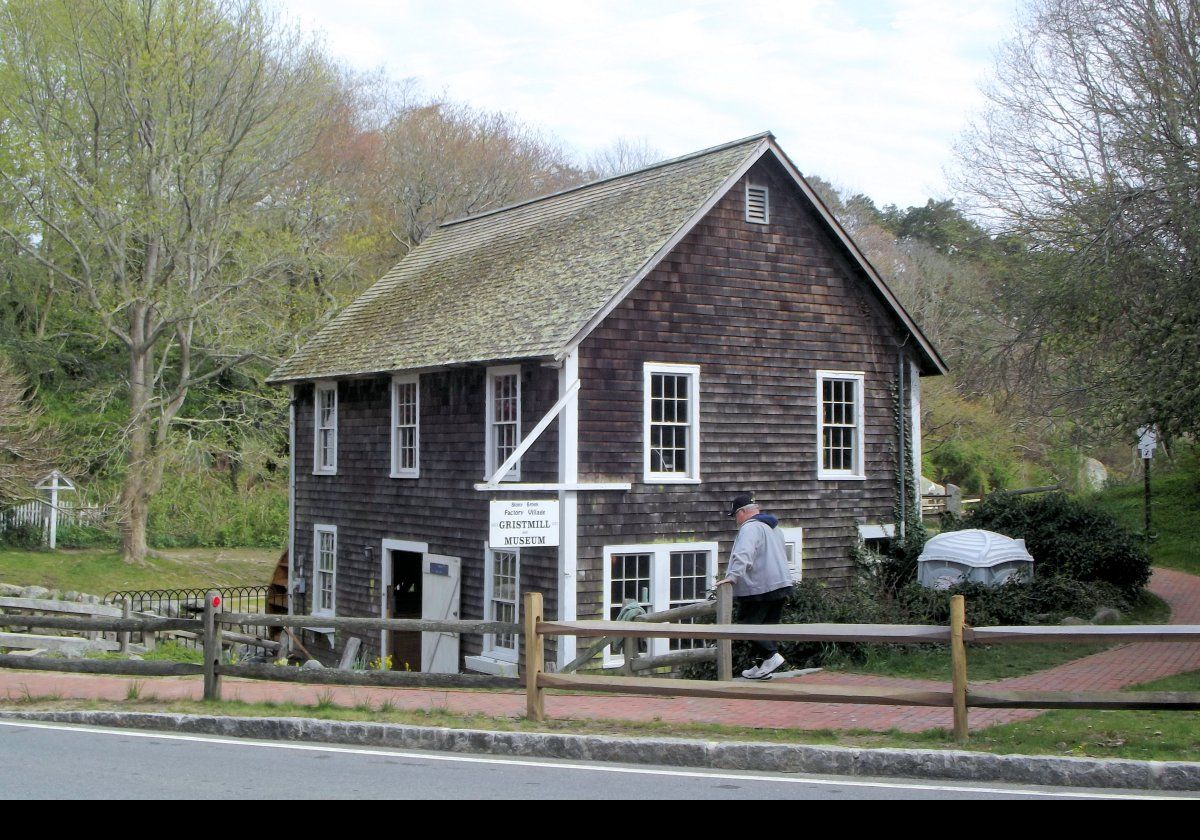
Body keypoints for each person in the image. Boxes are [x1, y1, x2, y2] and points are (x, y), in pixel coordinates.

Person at [714, 492, 793, 680]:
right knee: (767, 628)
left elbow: (743, 553)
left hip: (760, 586)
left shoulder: (750, 528)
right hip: (781, 583)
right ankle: (762, 666)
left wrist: (732, 577)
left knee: (746, 626)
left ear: (742, 512)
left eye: (735, 515)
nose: (735, 520)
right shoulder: (773, 527)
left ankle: (771, 657)